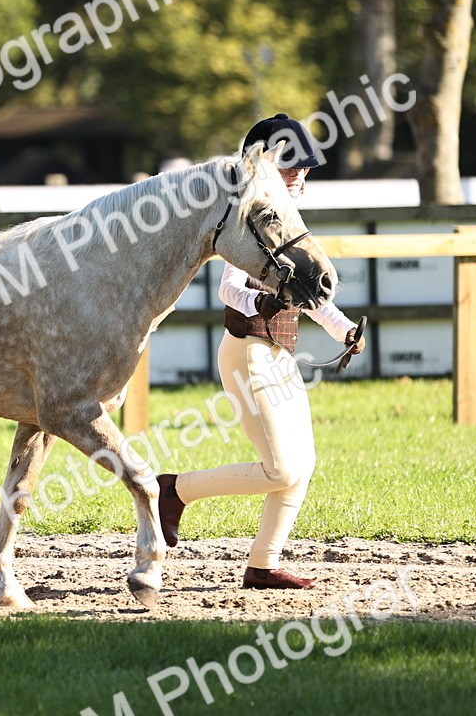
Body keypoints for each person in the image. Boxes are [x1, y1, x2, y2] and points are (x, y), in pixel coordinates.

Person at [156, 113, 365, 590]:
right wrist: (262, 300)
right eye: (291, 167)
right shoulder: (248, 220)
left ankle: (263, 565)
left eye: (304, 168)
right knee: (281, 467)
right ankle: (175, 490)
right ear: (263, 166)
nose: (301, 175)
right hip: (248, 352)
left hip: (278, 354)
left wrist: (343, 329)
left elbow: (312, 294)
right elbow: (229, 289)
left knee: (301, 466)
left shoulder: (289, 221)